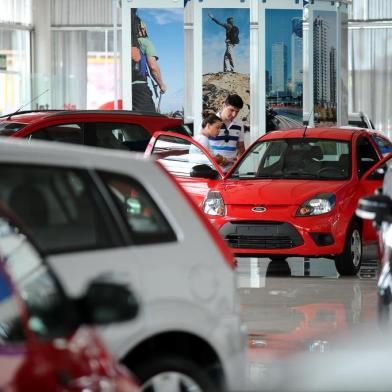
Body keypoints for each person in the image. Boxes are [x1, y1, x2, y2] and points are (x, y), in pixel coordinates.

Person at [131, 9, 167, 112]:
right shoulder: (145, 42)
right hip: (139, 87)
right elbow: (153, 67)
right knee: (148, 118)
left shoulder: (123, 42)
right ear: (141, 28)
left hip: (123, 88)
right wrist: (161, 84)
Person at [209, 94, 246, 172]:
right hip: (212, 171)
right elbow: (201, 148)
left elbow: (241, 147)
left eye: (237, 111)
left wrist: (238, 163)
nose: (234, 114)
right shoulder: (209, 122)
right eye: (231, 110)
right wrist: (219, 160)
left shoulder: (239, 124)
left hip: (232, 172)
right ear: (224, 105)